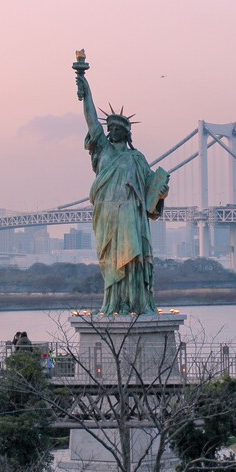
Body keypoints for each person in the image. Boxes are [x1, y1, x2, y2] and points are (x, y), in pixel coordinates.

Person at [75, 64, 169, 315]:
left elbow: (151, 190)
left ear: (127, 133)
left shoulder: (137, 158)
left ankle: (133, 302)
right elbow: (91, 121)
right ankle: (114, 302)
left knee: (132, 258)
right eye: (111, 128)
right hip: (106, 213)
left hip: (130, 214)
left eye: (119, 129)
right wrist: (87, 91)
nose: (113, 131)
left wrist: (161, 191)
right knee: (110, 260)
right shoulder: (103, 150)